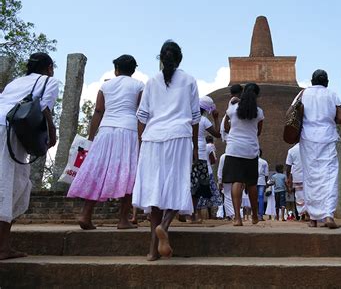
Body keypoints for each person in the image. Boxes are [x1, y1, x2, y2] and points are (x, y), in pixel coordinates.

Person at [132, 40, 200, 261]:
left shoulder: (151, 82)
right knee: (177, 185)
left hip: (153, 137)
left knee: (154, 192)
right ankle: (164, 225)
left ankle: (152, 251)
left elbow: (141, 116)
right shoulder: (189, 80)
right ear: (179, 59)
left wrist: (141, 142)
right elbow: (195, 117)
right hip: (179, 137)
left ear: (161, 59)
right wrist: (196, 148)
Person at [68, 55, 144, 230]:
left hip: (106, 130)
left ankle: (86, 214)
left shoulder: (105, 85)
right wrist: (141, 137)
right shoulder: (139, 85)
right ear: (133, 70)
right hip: (129, 130)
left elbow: (98, 110)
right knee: (129, 171)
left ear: (116, 69)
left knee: (98, 170)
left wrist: (91, 137)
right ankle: (123, 220)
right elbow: (141, 112)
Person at [0, 53, 59, 260]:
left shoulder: (15, 82)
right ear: (49, 67)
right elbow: (44, 108)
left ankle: (4, 246)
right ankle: (3, 247)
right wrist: (52, 132)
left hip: (4, 124)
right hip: (12, 129)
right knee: (12, 185)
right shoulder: (49, 81)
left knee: (9, 183)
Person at [299, 70, 341, 229]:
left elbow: (290, 113)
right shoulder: (332, 94)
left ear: (312, 81)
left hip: (308, 138)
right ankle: (328, 216)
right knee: (329, 176)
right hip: (327, 137)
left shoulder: (303, 94)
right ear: (327, 81)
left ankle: (312, 218)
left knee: (310, 175)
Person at [222, 83, 264, 226]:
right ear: (257, 96)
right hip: (251, 150)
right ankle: (254, 216)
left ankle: (237, 218)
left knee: (236, 181)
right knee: (251, 183)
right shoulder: (259, 112)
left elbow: (226, 127)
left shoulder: (233, 109)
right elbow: (258, 132)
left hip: (234, 149)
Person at [193, 97, 221, 222]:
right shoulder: (204, 120)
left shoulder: (189, 117)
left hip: (187, 151)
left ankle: (185, 214)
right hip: (200, 155)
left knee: (189, 183)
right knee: (198, 186)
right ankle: (193, 214)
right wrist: (216, 118)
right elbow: (218, 134)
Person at [286, 143, 306, 219]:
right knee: (308, 195)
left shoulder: (291, 151)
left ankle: (302, 214)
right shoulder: (308, 148)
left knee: (299, 196)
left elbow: (288, 166)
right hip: (308, 175)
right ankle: (309, 214)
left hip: (297, 176)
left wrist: (288, 177)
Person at [217, 153, 234, 220]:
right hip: (235, 178)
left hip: (227, 178)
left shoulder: (223, 156)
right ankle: (233, 214)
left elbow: (220, 170)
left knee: (227, 196)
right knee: (234, 196)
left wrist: (220, 180)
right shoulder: (236, 155)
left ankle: (231, 214)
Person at [257, 149, 269, 221]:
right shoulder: (264, 162)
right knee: (261, 198)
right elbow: (266, 174)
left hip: (253, 181)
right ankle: (260, 215)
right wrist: (266, 183)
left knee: (253, 198)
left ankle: (255, 215)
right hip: (261, 181)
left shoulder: (251, 161)